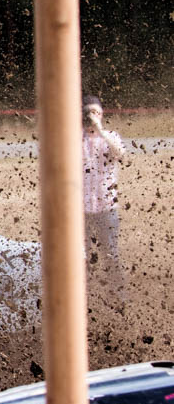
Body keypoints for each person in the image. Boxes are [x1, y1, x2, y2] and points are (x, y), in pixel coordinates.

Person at [82, 95, 127, 310]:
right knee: (81, 257)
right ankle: (83, 299)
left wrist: (99, 129)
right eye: (88, 112)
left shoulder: (110, 137)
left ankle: (119, 297)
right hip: (80, 210)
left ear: (101, 114)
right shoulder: (73, 139)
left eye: (96, 112)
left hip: (106, 208)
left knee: (111, 254)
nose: (92, 117)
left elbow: (121, 154)